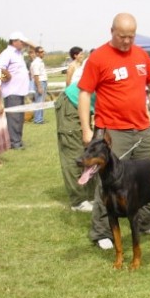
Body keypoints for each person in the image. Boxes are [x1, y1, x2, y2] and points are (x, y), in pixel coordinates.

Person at [77, 12, 150, 250]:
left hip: (142, 128)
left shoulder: (140, 54)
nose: (127, 41)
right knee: (108, 184)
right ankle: (102, 232)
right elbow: (85, 92)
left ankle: (147, 222)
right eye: (122, 36)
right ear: (111, 31)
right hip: (112, 132)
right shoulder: (98, 57)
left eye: (131, 36)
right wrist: (87, 130)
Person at [54, 77, 97, 212]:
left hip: (87, 106)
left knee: (91, 152)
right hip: (72, 103)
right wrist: (86, 129)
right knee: (75, 154)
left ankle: (91, 196)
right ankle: (78, 201)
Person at [0, 31, 34, 149]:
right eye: (21, 41)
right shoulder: (7, 53)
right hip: (11, 91)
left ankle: (18, 139)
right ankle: (14, 142)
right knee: (13, 118)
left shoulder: (18, 53)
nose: (23, 44)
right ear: (14, 41)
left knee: (19, 118)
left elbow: (33, 46)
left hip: (20, 91)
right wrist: (5, 78)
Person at [30, 46, 48, 124]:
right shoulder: (36, 63)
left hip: (43, 81)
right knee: (39, 101)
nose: (43, 53)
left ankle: (40, 118)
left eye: (43, 51)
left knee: (41, 101)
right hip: (40, 82)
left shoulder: (40, 62)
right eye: (41, 52)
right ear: (37, 53)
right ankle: (38, 119)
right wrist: (39, 86)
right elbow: (36, 75)